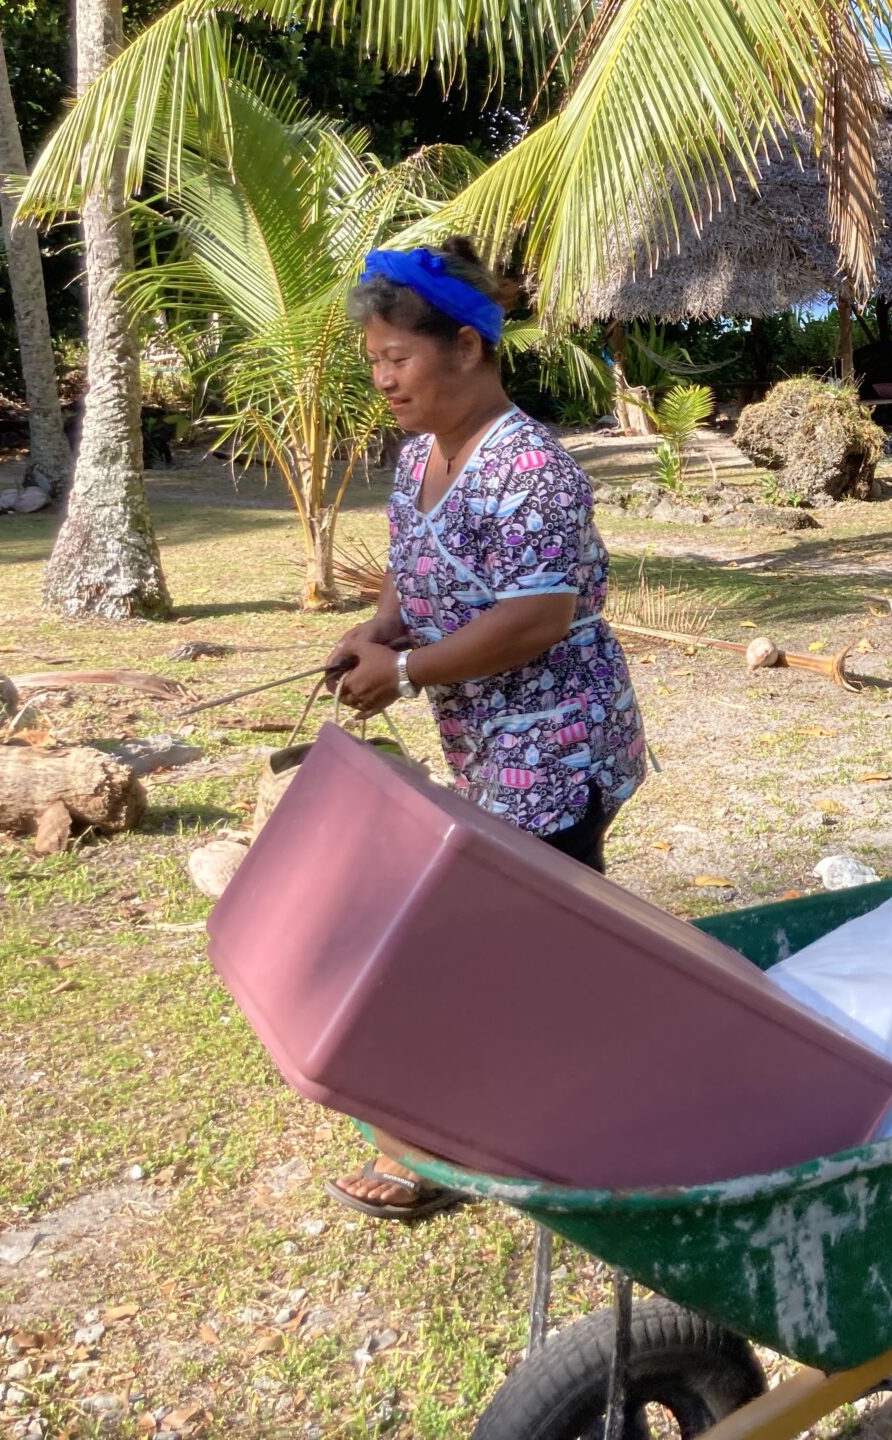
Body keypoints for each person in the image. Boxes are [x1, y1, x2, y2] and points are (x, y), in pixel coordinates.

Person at [323, 238, 647, 1221]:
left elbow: (537, 617)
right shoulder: (418, 455)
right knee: (550, 934)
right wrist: (378, 632)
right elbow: (412, 571)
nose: (383, 380)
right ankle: (612, 1087)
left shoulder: (531, 469)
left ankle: (450, 1145)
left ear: (466, 347)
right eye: (374, 362)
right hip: (489, 747)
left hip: (557, 743)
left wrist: (405, 672)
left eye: (398, 359)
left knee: (491, 938)